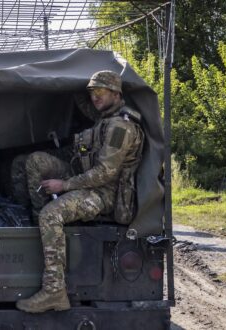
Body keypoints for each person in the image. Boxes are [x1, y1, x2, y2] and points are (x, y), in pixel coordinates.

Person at [14, 70, 145, 313]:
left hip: (104, 195)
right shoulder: (104, 117)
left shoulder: (120, 128)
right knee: (33, 161)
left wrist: (64, 185)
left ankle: (55, 291)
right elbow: (85, 105)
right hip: (85, 180)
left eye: (101, 92)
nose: (95, 97)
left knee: (51, 214)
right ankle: (38, 228)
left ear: (116, 94)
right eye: (93, 92)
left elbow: (105, 173)